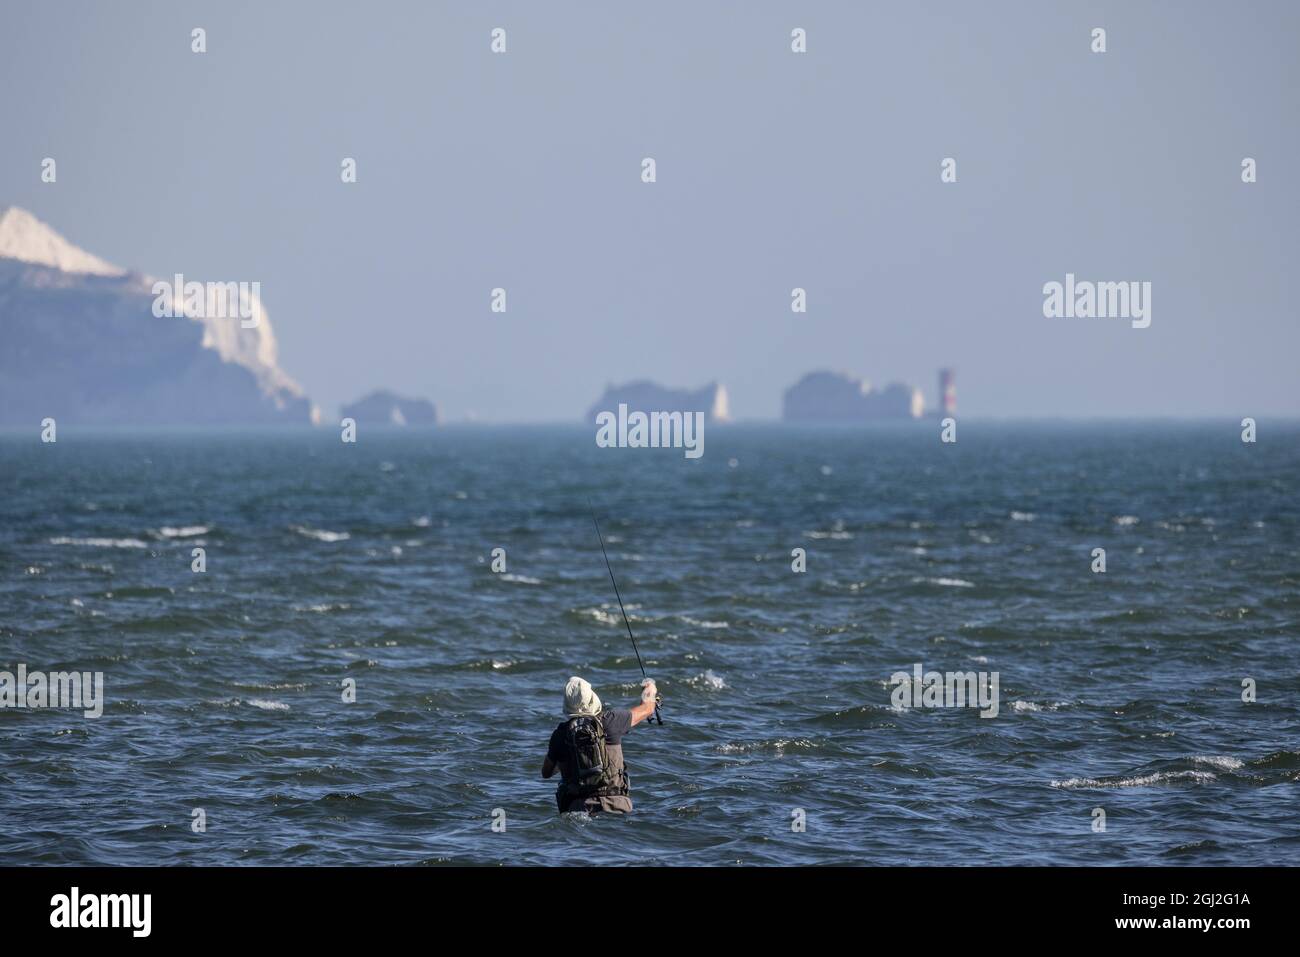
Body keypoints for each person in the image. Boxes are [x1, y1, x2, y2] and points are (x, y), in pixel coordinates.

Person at [542, 675, 658, 815]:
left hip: (579, 809)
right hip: (617, 806)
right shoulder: (611, 721)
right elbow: (647, 708)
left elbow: (546, 772)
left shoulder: (559, 736)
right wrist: (650, 688)